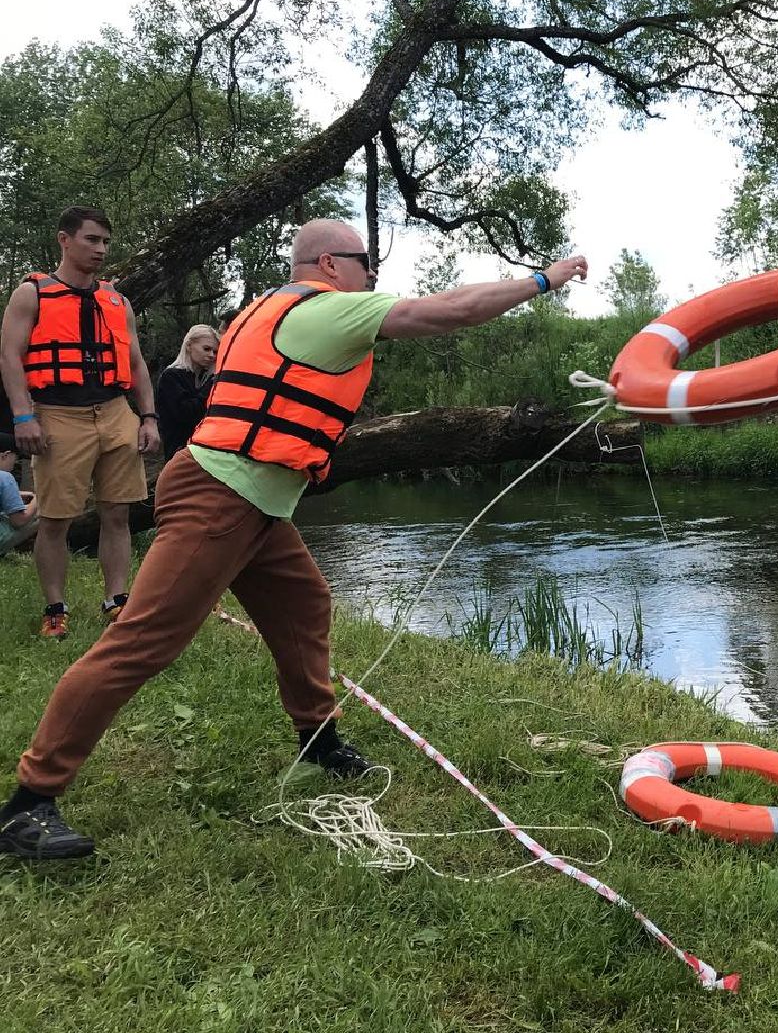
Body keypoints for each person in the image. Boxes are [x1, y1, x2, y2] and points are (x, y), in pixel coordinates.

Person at [0, 218, 587, 859]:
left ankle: (320, 744)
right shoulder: (322, 310)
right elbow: (445, 311)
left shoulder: (269, 309)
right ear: (331, 264)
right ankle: (28, 803)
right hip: (220, 498)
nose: (371, 274)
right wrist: (544, 278)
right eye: (365, 260)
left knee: (305, 605)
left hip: (249, 500)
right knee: (141, 642)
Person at [0, 206, 160, 640]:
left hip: (113, 411)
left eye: (106, 242)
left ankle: (116, 600)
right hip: (57, 414)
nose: (101, 250)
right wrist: (23, 415)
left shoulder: (116, 300)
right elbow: (10, 358)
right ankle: (55, 608)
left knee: (118, 513)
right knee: (54, 519)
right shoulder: (31, 294)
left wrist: (147, 417)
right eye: (92, 240)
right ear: (65, 240)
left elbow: (136, 364)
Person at [155, 324, 220, 460]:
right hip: (179, 452)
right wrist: (210, 386)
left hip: (204, 451)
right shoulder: (171, 377)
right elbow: (185, 414)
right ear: (189, 346)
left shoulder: (204, 378)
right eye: (206, 349)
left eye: (215, 352)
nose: (211, 355)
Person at [0, 432, 40, 556]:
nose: (15, 463)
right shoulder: (5, 477)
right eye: (15, 458)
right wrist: (39, 498)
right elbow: (19, 521)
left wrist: (17, 494)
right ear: (5, 455)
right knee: (45, 515)